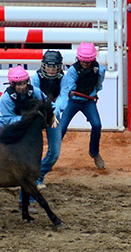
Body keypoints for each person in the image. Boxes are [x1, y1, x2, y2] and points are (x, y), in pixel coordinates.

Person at [48, 42, 107, 175]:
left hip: (88, 101)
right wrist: (70, 92)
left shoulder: (100, 70)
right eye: (83, 62)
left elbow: (98, 84)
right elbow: (68, 87)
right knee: (61, 128)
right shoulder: (72, 71)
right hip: (73, 102)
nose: (85, 64)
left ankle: (94, 153)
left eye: (88, 62)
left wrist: (93, 94)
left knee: (97, 125)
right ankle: (50, 157)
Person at [31, 49, 64, 184]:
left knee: (55, 153)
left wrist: (54, 111)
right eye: (49, 66)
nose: (51, 69)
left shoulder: (64, 79)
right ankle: (30, 177)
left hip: (53, 115)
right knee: (33, 149)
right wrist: (50, 108)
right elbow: (36, 96)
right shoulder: (36, 78)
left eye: (54, 66)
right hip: (37, 115)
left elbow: (64, 97)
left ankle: (39, 175)